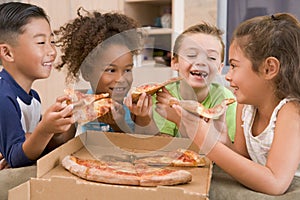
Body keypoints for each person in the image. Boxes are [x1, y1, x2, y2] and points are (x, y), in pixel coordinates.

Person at [171, 13, 300, 195]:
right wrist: (221, 140)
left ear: (268, 68)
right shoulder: (245, 106)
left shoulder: (291, 111)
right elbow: (242, 160)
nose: (228, 76)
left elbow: (275, 183)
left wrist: (204, 141)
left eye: (234, 66)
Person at [55, 8, 155, 135]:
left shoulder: (137, 107)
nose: (121, 79)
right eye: (111, 70)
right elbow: (61, 146)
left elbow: (146, 148)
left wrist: (119, 124)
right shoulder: (80, 105)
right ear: (87, 73)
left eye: (128, 70)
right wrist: (59, 122)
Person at [0, 2, 75, 169]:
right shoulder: (3, 97)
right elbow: (16, 159)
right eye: (41, 43)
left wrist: (64, 120)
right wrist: (45, 130)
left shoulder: (33, 97)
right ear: (7, 53)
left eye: (53, 41)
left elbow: (38, 145)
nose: (52, 51)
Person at [154, 23, 236, 139]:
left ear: (219, 68)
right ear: (175, 62)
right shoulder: (162, 97)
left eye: (211, 58)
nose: (201, 62)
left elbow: (228, 150)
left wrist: (179, 118)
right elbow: (162, 147)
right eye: (191, 55)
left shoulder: (227, 101)